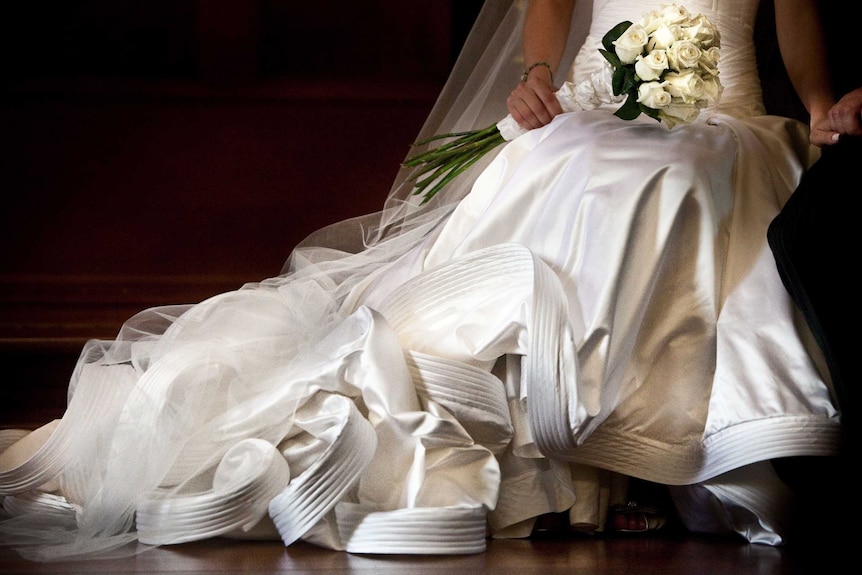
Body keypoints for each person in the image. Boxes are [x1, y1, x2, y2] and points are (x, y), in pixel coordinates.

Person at [0, 0, 842, 562]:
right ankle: (581, 459)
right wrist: (540, 73)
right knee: (572, 170)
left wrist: (815, 104)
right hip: (595, 98)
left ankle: (643, 460)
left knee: (684, 184)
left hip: (724, 112)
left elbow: (795, 13)